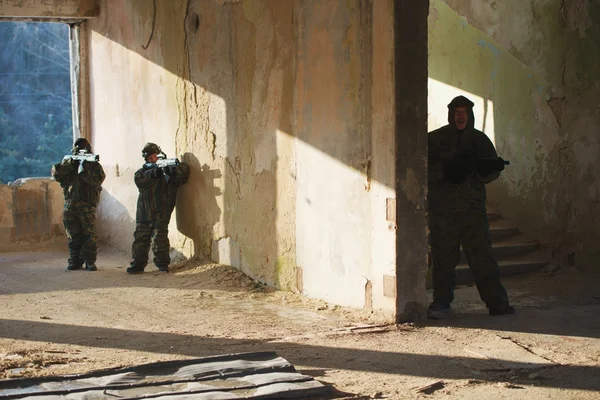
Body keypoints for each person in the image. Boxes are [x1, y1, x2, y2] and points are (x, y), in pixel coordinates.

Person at [427, 95, 516, 319]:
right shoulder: (434, 140)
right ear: (451, 115)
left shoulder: (480, 141)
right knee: (443, 260)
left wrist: (485, 171)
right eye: (457, 113)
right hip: (443, 213)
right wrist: (444, 173)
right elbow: (421, 169)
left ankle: (497, 303)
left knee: (483, 259)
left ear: (470, 115)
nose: (460, 117)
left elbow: (491, 172)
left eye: (464, 113)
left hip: (472, 212)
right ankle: (441, 303)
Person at [127, 142, 189, 274]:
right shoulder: (142, 172)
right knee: (140, 239)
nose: (153, 159)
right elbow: (140, 181)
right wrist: (157, 171)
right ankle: (138, 264)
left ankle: (162, 265)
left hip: (162, 211)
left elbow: (183, 174)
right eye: (150, 158)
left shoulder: (170, 168)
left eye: (155, 156)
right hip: (144, 213)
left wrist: (169, 169)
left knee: (159, 239)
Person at [52, 138, 105, 271]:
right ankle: (75, 261)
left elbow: (98, 180)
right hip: (70, 204)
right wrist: (71, 163)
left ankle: (89, 261)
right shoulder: (69, 164)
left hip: (87, 205)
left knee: (89, 235)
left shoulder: (94, 166)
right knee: (73, 235)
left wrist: (85, 166)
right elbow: (56, 174)